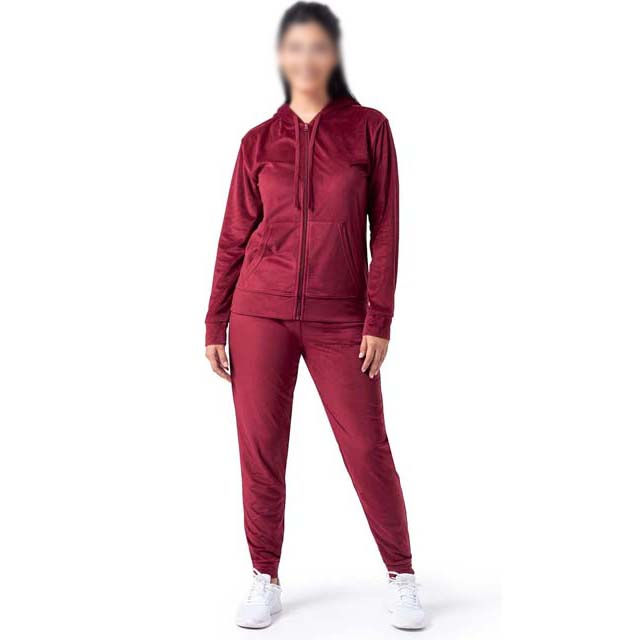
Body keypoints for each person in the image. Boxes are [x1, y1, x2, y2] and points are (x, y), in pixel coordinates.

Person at [204, 2, 425, 630]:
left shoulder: (369, 129)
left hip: (342, 320)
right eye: (296, 47)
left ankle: (402, 575)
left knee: (366, 447)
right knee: (260, 449)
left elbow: (387, 228)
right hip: (259, 313)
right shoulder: (257, 142)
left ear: (334, 54)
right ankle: (264, 575)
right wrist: (215, 319)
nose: (307, 58)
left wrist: (379, 318)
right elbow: (233, 235)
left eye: (318, 47)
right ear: (282, 56)